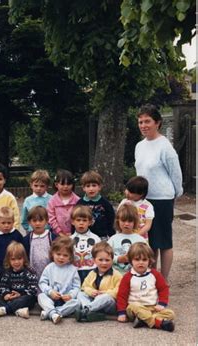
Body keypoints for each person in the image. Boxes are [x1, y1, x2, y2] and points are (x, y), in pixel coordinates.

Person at [135, 104, 182, 282]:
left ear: (158, 123)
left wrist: (174, 195)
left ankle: (163, 279)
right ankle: (151, 276)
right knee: (149, 241)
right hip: (143, 200)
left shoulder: (165, 147)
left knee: (163, 241)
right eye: (140, 122)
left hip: (162, 199)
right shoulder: (139, 146)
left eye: (147, 121)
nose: (143, 125)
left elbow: (176, 175)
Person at [116, 243, 175, 332]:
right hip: (134, 309)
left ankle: (143, 321)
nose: (141, 262)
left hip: (152, 308)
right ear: (131, 260)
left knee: (171, 314)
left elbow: (163, 289)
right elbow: (121, 296)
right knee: (135, 306)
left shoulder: (155, 274)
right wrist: (122, 313)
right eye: (137, 259)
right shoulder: (128, 277)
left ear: (149, 260)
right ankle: (158, 323)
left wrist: (162, 304)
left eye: (144, 259)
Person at [0, 242, 38, 319]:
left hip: (23, 298)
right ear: (8, 260)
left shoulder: (30, 271)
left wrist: (20, 294)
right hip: (10, 299)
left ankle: (4, 309)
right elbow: (2, 287)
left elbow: (33, 289)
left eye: (19, 258)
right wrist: (6, 295)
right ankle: (18, 311)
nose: (16, 262)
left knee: (29, 298)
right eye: (13, 259)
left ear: (24, 258)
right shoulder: (7, 272)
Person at [75, 242, 122, 322]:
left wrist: (105, 292)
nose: (104, 263)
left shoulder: (116, 275)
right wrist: (91, 291)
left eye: (107, 260)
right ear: (94, 260)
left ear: (112, 260)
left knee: (106, 297)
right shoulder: (92, 273)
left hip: (109, 304)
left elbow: (119, 291)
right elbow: (84, 287)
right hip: (95, 300)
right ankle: (91, 312)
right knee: (80, 294)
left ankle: (86, 309)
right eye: (100, 260)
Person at [38, 237, 81, 324]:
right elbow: (42, 283)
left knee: (77, 303)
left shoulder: (73, 269)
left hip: (65, 300)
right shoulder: (49, 267)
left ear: (70, 257)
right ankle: (53, 313)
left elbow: (77, 286)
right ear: (53, 253)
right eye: (58, 254)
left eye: (65, 255)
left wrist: (71, 295)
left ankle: (51, 312)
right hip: (51, 298)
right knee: (41, 296)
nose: (61, 257)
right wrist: (50, 291)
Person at [0, 206, 24, 288]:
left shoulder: (16, 234)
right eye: (3, 223)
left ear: (13, 222)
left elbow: (23, 249)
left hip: (15, 266)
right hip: (0, 267)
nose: (6, 226)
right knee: (0, 285)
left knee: (14, 284)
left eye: (9, 223)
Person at [108, 204, 147, 274]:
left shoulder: (140, 240)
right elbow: (105, 256)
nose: (126, 224)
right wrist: (118, 259)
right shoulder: (113, 239)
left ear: (135, 222)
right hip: (116, 275)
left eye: (130, 221)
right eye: (123, 220)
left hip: (135, 275)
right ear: (118, 221)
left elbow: (147, 256)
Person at [76, 170, 115, 240]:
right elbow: (75, 218)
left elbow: (111, 219)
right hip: (84, 236)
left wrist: (111, 235)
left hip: (102, 236)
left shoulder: (105, 203)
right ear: (83, 188)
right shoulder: (80, 203)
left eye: (94, 185)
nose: (91, 189)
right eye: (88, 186)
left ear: (99, 187)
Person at [70, 206, 101, 283]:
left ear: (90, 222)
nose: (81, 223)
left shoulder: (96, 238)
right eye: (78, 220)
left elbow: (100, 255)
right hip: (75, 271)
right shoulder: (70, 240)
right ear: (73, 222)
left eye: (84, 220)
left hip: (92, 271)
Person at [47, 169, 80, 237]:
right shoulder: (52, 201)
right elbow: (51, 219)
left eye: (68, 184)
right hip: (56, 235)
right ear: (56, 184)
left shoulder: (77, 200)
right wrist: (60, 233)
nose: (65, 186)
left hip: (75, 234)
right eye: (62, 184)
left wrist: (73, 232)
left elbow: (80, 217)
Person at [23, 206, 53, 278]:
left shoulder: (52, 237)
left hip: (50, 272)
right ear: (29, 222)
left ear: (46, 221)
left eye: (40, 220)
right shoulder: (27, 240)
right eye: (34, 221)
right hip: (32, 274)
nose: (37, 223)